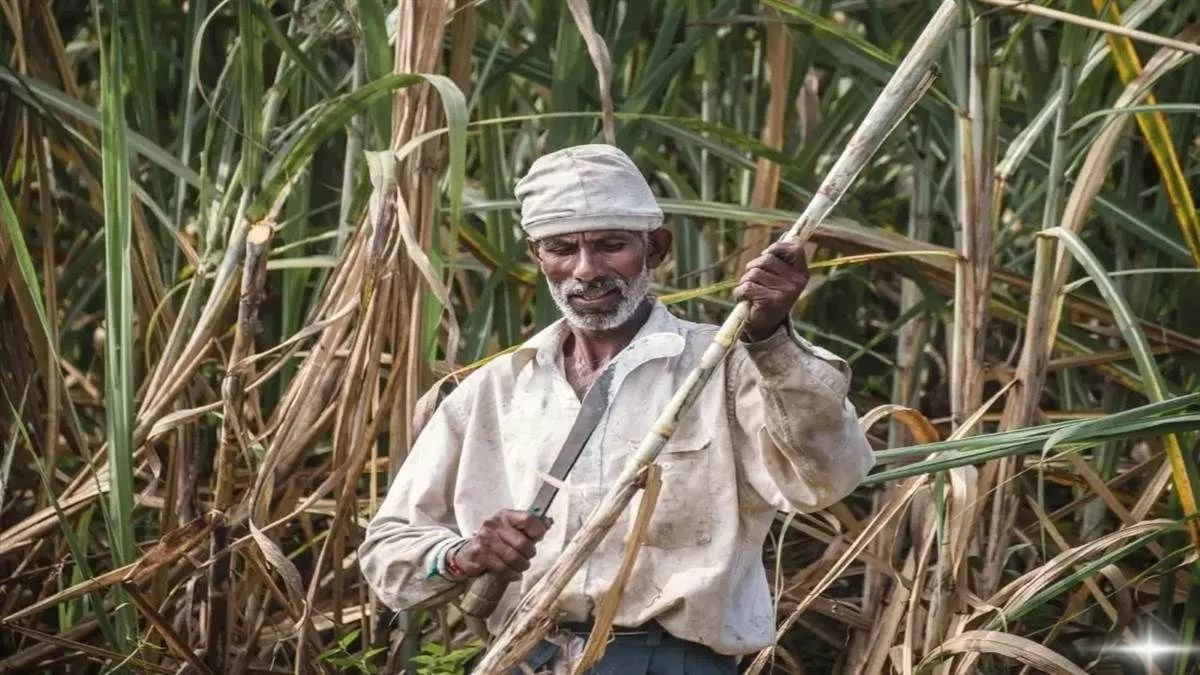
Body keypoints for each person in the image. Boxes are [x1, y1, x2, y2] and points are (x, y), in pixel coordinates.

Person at [359, 144, 875, 674]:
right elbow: (388, 553)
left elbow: (827, 480)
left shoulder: (727, 366)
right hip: (520, 658)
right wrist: (465, 555)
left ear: (656, 248)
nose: (586, 271)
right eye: (562, 248)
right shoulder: (496, 390)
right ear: (538, 256)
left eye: (610, 246)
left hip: (669, 663)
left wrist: (769, 337)